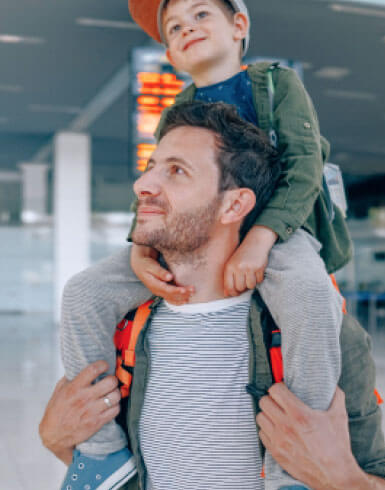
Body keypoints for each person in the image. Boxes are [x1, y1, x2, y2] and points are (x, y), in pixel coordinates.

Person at [59, 0, 353, 487]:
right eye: (174, 27)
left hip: (279, 227)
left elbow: (303, 167)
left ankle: (294, 463)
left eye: (201, 15)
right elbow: (154, 182)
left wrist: (260, 239)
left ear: (239, 25)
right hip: (195, 230)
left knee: (310, 298)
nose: (187, 28)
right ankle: (104, 452)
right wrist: (140, 246)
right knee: (84, 292)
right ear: (170, 54)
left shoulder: (277, 84)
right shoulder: (177, 110)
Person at [40, 102, 385, 489]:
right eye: (151, 167)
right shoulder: (123, 328)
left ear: (235, 204)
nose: (142, 186)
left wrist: (344, 479)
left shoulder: (322, 335)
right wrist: (57, 441)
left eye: (176, 171)